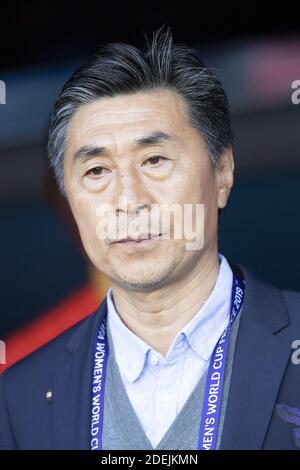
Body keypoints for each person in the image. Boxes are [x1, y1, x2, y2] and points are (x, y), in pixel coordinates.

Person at [1, 27, 299, 450]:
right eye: (97, 171)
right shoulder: (19, 397)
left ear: (223, 171)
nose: (128, 200)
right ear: (65, 198)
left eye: (154, 160)